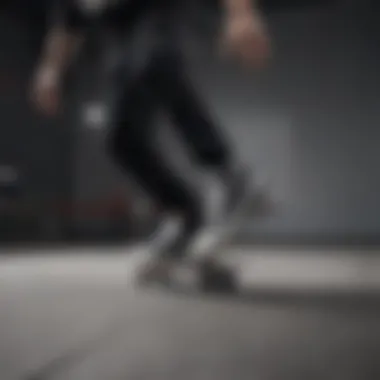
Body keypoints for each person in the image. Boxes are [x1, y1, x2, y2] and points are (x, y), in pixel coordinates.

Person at [31, 0, 271, 284]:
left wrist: (241, 14)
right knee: (120, 139)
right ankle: (184, 214)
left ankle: (230, 177)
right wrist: (50, 70)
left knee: (156, 61)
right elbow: (67, 26)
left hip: (156, 13)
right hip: (121, 36)